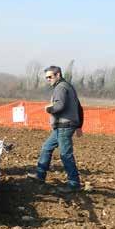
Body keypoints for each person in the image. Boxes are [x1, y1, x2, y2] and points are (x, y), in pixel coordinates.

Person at [27, 65, 84, 193]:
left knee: (65, 155)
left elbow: (60, 106)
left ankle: (74, 184)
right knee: (47, 147)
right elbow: (79, 108)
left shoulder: (60, 87)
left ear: (58, 75)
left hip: (64, 126)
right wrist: (79, 125)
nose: (48, 80)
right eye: (46, 78)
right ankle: (40, 175)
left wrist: (48, 109)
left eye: (50, 77)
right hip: (63, 126)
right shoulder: (69, 87)